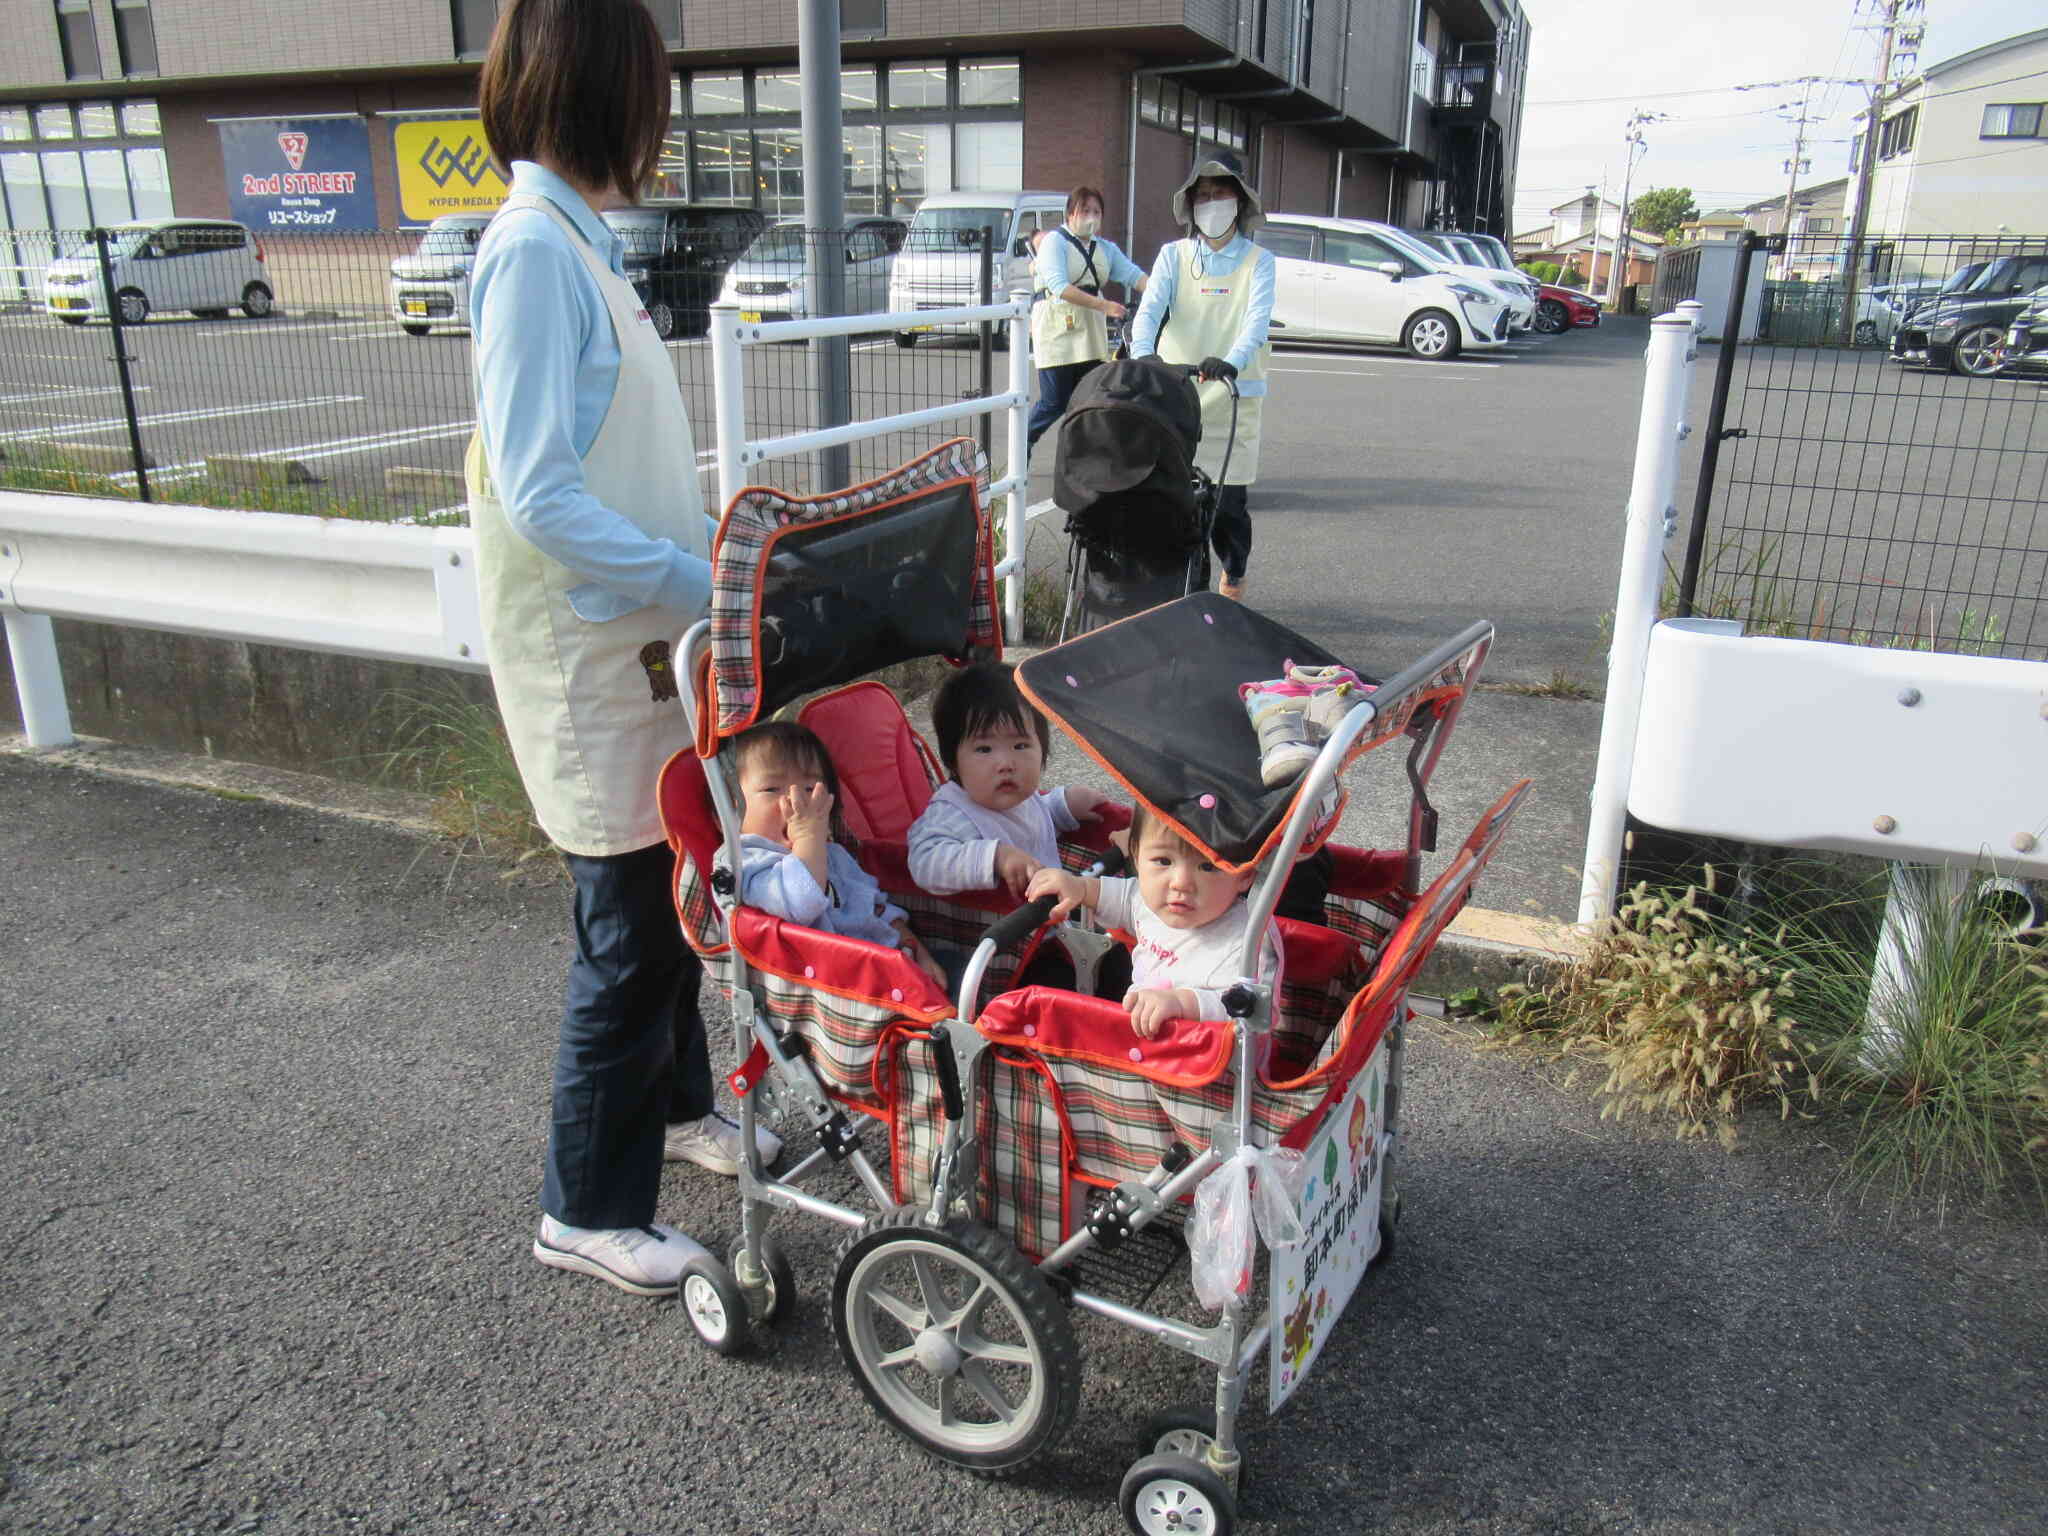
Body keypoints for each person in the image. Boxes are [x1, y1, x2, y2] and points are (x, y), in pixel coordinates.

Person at [468, 0, 777, 1301]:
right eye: (653, 92)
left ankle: (676, 1112)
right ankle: (585, 1207)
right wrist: (689, 573)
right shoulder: (536, 253)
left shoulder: (575, 247)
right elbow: (539, 491)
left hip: (652, 645)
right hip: (604, 656)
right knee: (628, 931)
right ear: (611, 96)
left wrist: (693, 563)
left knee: (671, 895)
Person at [1127, 149, 1276, 602]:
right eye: (1204, 196)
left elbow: (1256, 319)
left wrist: (1231, 358)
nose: (1212, 204)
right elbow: (1149, 309)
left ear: (1240, 202)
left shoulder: (1258, 261)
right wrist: (1144, 355)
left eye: (1222, 194)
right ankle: (1190, 594)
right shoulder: (1174, 256)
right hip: (1178, 395)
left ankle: (1233, 576)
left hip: (1233, 396)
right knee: (1180, 503)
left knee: (1229, 508)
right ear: (1191, 206)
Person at [720, 722, 949, 991]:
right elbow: (800, 903)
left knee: (968, 968)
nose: (796, 801)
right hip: (849, 991)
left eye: (809, 788)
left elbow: (877, 907)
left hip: (896, 966)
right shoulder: (744, 863)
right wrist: (807, 836)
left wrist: (916, 949)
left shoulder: (833, 854)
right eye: (772, 789)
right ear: (729, 808)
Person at [1025, 803, 1281, 1040]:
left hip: (1207, 1067)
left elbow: (1255, 1011)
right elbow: (1108, 895)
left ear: (1245, 875)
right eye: (1163, 861)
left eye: (1207, 867)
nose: (1180, 883)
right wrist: (1077, 886)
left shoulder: (1248, 938)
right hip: (1142, 1046)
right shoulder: (1144, 900)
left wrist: (1183, 1003)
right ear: (1136, 857)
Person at [908, 661, 1110, 901]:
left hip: (1050, 917)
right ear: (953, 761)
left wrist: (1061, 807)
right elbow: (925, 862)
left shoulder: (1017, 797)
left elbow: (1029, 823)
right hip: (997, 934)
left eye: (1020, 746)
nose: (1005, 763)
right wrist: (995, 857)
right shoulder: (954, 815)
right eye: (984, 749)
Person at [1026, 186, 1149, 455]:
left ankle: (1082, 455)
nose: (1091, 217)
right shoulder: (1054, 243)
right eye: (1085, 211)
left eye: (1097, 212)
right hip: (1056, 327)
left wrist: (1160, 293)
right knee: (1054, 400)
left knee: (1092, 396)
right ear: (1070, 214)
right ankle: (1022, 444)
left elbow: (1133, 275)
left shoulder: (1104, 248)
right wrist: (1105, 306)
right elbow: (1059, 286)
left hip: (1089, 331)